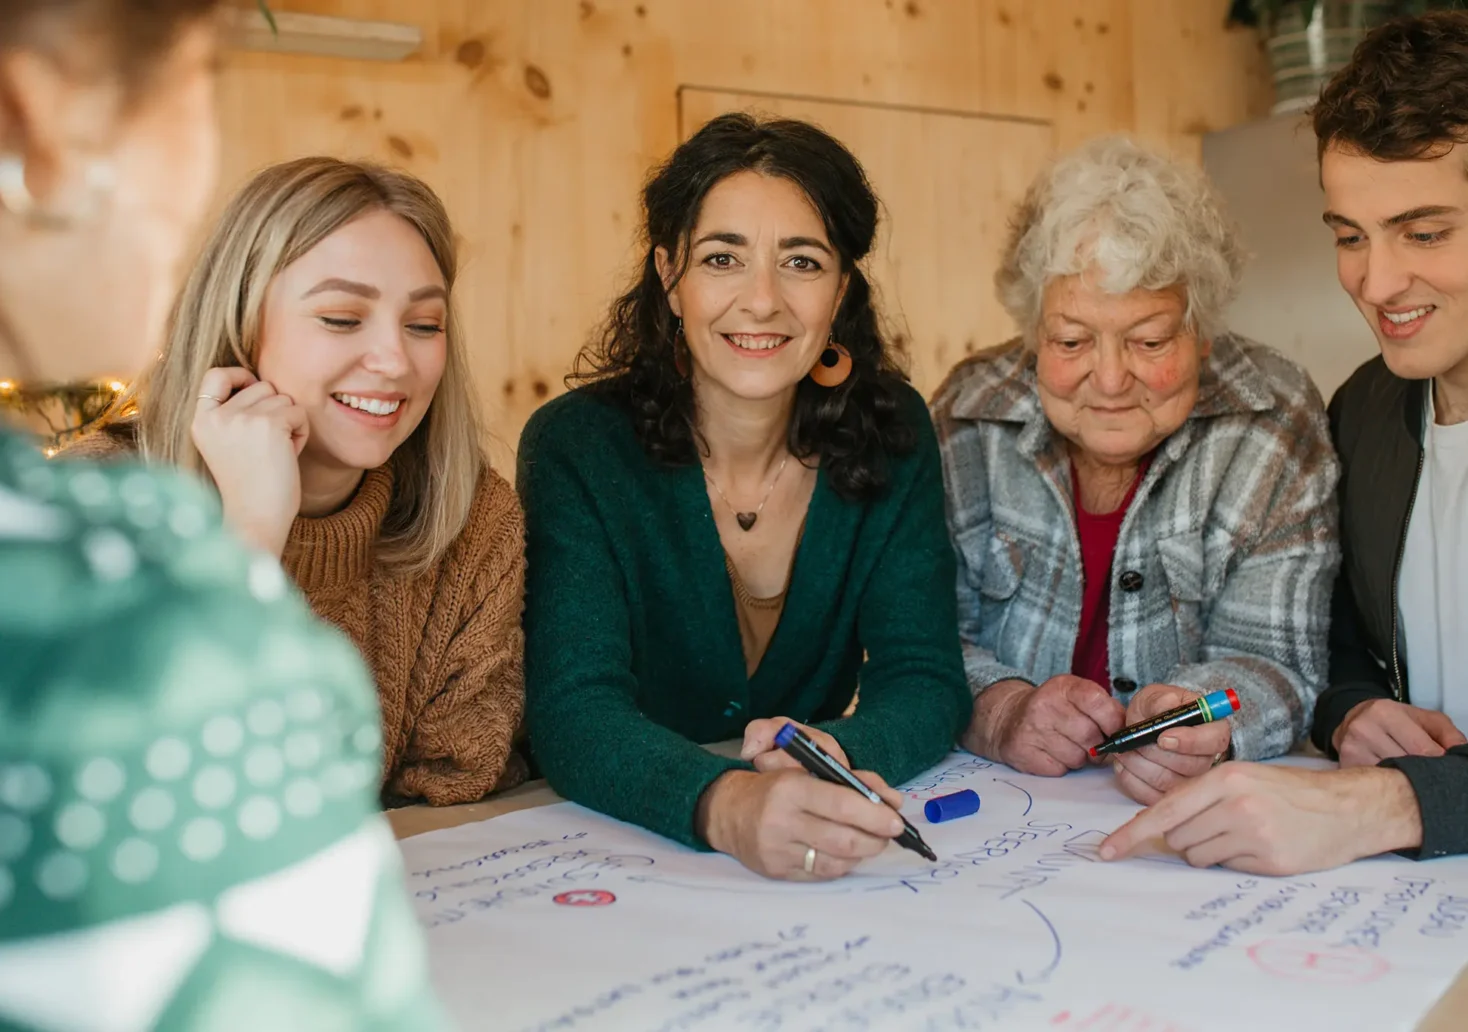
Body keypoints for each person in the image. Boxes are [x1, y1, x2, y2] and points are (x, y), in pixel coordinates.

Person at [0, 1, 443, 1027]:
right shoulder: (134, 608)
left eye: (424, 322)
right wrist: (242, 551)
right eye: (199, 94)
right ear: (42, 131)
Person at [518, 113, 969, 881]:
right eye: (723, 258)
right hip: (621, 849)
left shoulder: (892, 428)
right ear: (669, 275)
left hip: (803, 839)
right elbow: (573, 709)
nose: (761, 301)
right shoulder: (578, 445)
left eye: (802, 261)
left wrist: (837, 753)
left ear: (842, 288)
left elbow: (924, 676)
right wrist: (725, 805)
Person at [1105, 12, 1468, 875]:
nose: (1376, 283)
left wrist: (1393, 801)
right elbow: (1341, 638)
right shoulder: (1370, 409)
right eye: (1349, 236)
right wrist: (1347, 709)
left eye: (1425, 232)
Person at [72, 158, 526, 807]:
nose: (394, 360)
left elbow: (461, 774)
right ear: (241, 324)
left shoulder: (473, 518)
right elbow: (113, 796)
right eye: (342, 318)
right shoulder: (86, 510)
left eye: (424, 324)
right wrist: (251, 531)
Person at [931, 137, 1340, 806]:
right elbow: (918, 644)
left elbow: (1282, 665)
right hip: (1001, 821)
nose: (1112, 379)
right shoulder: (966, 418)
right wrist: (1002, 710)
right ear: (1033, 334)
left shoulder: (1272, 420)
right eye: (1071, 341)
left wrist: (1204, 717)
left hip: (1184, 824)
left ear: (1201, 333)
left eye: (1149, 340)